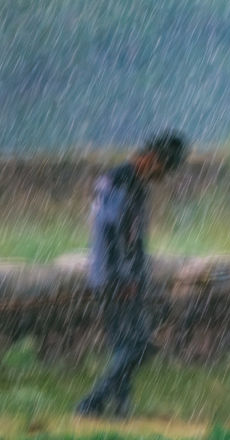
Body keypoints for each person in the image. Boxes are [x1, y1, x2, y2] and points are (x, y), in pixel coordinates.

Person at [75, 131, 187, 418]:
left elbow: (131, 238)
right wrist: (124, 279)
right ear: (150, 158)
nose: (161, 178)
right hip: (116, 280)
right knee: (138, 345)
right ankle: (92, 402)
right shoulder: (121, 183)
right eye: (162, 169)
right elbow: (114, 235)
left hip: (124, 278)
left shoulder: (128, 183)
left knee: (125, 345)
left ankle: (121, 407)